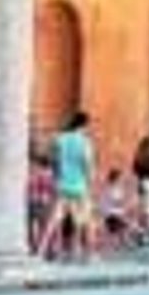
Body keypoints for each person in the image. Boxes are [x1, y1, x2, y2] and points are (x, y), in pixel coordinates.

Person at [40, 109, 95, 262]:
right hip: (79, 186)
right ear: (84, 125)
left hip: (61, 184)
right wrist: (90, 183)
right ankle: (80, 252)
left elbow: (54, 161)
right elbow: (87, 165)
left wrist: (58, 177)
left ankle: (42, 249)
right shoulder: (85, 142)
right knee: (82, 219)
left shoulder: (60, 139)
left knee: (54, 218)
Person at [98, 169, 135, 249]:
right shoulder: (111, 188)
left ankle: (121, 243)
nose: (122, 181)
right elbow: (117, 202)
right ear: (116, 179)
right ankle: (123, 243)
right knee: (126, 228)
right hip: (112, 215)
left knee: (124, 229)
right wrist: (128, 197)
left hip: (112, 215)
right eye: (121, 179)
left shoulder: (112, 188)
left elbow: (120, 203)